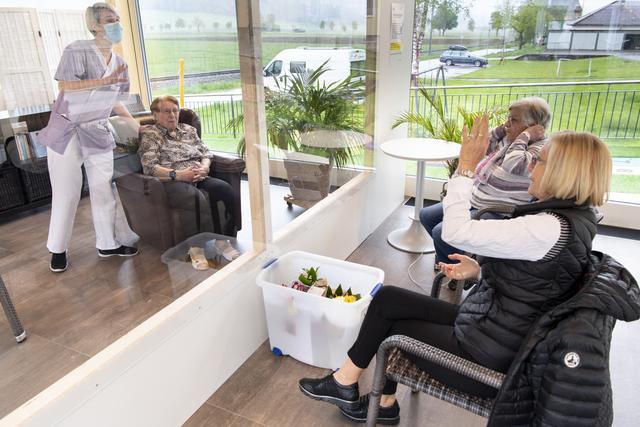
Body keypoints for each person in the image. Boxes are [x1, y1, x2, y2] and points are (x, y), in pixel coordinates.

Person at [298, 116, 625, 425]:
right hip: (493, 328)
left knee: (392, 328)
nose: (530, 167)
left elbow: (454, 232)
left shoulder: (548, 227)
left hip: (485, 353)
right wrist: (478, 273)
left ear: (564, 172)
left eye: (538, 161)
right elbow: (542, 284)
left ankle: (361, 393)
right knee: (388, 300)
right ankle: (353, 388)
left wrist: (466, 168)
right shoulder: (573, 220)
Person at [39, 2, 139, 273]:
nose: (117, 23)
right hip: (67, 131)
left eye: (118, 18)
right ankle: (58, 249)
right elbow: (65, 86)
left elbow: (116, 100)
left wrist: (134, 123)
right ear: (95, 25)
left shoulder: (120, 62)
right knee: (67, 193)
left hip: (97, 131)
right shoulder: (77, 50)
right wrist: (103, 82)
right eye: (110, 19)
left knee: (103, 189)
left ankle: (108, 243)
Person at [420, 97, 550, 270]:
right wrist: (502, 130)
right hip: (476, 201)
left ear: (534, 125)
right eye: (508, 118)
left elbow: (515, 164)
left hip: (498, 211)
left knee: (440, 232)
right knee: (426, 216)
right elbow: (483, 147)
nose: (507, 123)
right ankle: (452, 255)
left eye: (514, 120)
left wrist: (525, 136)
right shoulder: (509, 139)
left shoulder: (539, 148)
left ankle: (457, 269)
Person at [138, 95, 240, 261]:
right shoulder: (151, 134)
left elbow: (206, 152)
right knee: (194, 197)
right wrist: (178, 174)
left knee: (225, 190)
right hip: (171, 180)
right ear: (155, 114)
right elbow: (149, 167)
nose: (172, 115)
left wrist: (205, 167)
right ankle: (195, 248)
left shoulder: (188, 130)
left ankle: (222, 241)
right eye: (166, 111)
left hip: (198, 175)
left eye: (175, 110)